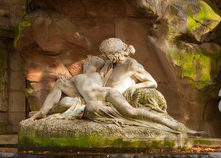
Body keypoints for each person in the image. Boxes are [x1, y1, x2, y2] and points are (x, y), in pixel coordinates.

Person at [30, 51, 186, 133]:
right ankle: (168, 123)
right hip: (103, 97)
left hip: (108, 95)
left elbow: (59, 87)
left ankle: (168, 123)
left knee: (131, 112)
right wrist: (44, 112)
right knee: (131, 113)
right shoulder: (87, 78)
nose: (86, 63)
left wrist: (43, 112)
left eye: (90, 62)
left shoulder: (81, 79)